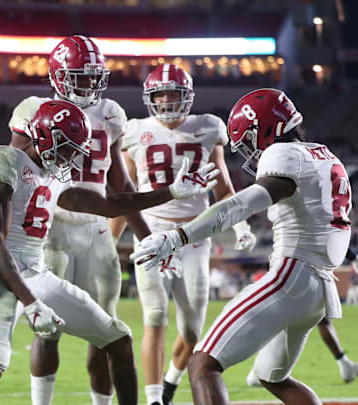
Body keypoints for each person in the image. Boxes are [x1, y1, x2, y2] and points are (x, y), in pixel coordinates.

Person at [0, 100, 219, 405]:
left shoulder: (53, 177)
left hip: (35, 271)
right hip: (0, 274)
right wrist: (32, 303)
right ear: (46, 136)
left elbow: (108, 204)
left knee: (118, 339)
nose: (71, 157)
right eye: (67, 147)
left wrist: (170, 192)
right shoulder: (4, 160)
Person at [131, 88, 352, 405]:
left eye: (249, 140)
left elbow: (241, 204)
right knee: (272, 376)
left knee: (202, 364)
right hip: (320, 288)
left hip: (291, 277)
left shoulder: (283, 154)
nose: (249, 151)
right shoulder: (327, 156)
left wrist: (178, 236)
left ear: (265, 129)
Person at [7, 35, 153, 405]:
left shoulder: (109, 113)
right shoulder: (34, 108)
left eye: (93, 76)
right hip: (51, 228)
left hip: (97, 230)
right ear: (58, 75)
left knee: (106, 329)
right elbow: (11, 173)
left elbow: (119, 185)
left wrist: (147, 236)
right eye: (80, 76)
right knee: (48, 330)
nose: (89, 84)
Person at [111, 63, 256, 405]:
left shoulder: (207, 127)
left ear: (187, 96)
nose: (166, 100)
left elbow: (222, 183)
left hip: (195, 234)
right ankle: (154, 400)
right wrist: (108, 242)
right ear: (149, 98)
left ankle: (170, 383)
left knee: (192, 331)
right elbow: (125, 195)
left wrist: (240, 223)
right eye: (160, 94)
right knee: (156, 316)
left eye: (173, 94)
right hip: (151, 231)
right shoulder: (135, 131)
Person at [245, 248, 358, 386]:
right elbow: (326, 231)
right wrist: (354, 257)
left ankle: (345, 365)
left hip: (295, 266)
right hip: (298, 267)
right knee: (299, 318)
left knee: (317, 318)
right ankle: (260, 372)